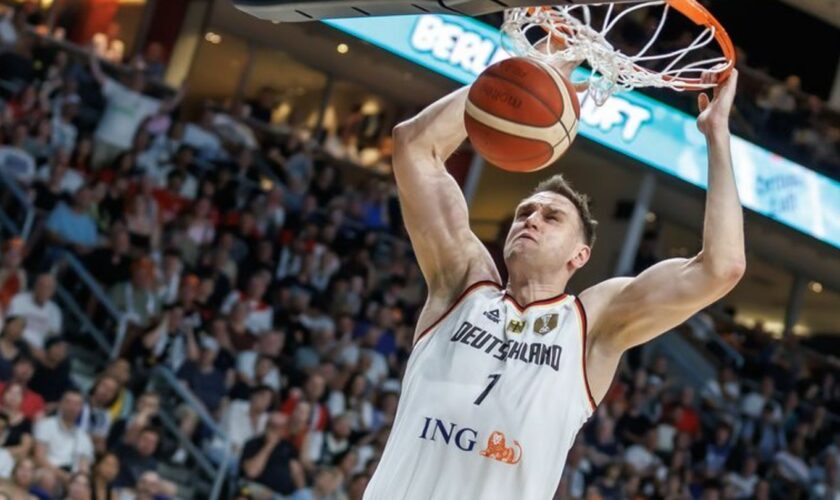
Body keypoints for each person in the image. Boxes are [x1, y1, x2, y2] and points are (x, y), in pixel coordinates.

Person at [362, 67, 745, 499]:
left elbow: (721, 267)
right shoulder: (462, 284)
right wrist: (516, 79)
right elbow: (414, 146)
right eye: (525, 212)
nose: (530, 220)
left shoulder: (590, 324)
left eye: (551, 217)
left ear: (579, 255)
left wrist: (717, 135)